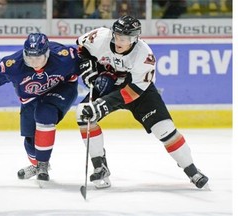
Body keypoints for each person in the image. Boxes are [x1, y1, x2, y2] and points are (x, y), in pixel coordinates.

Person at [76, 15, 209, 189]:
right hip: (108, 83)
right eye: (116, 35)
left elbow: (133, 91)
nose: (118, 41)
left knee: (165, 129)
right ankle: (100, 167)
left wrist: (104, 105)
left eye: (124, 38)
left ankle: (192, 170)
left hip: (138, 92)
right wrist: (87, 66)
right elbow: (81, 47)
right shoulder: (99, 37)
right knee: (84, 113)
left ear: (134, 38)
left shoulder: (144, 55)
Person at [0, 33, 81, 188]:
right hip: (30, 98)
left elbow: (86, 62)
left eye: (38, 58)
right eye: (30, 58)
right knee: (30, 142)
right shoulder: (14, 65)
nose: (34, 63)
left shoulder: (63, 56)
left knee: (45, 114)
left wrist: (94, 76)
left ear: (47, 53)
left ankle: (42, 164)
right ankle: (38, 164)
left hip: (62, 88)